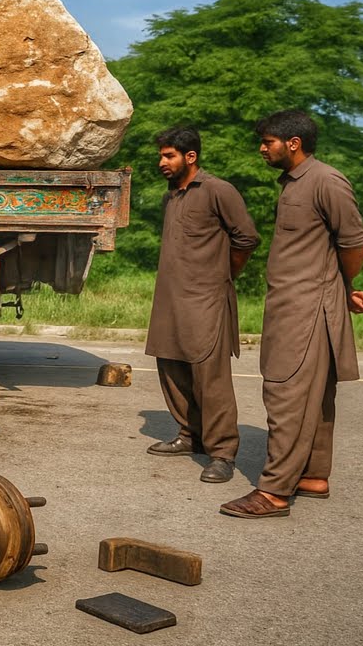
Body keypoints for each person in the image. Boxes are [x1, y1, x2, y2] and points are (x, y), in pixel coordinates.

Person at [221, 110, 363, 519]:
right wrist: (340, 286)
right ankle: (312, 476)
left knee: (285, 393)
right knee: (315, 395)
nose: (261, 148)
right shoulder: (295, 183)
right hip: (301, 303)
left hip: (305, 310)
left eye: (267, 142)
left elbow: (354, 242)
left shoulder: (325, 180)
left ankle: (273, 492)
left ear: (293, 143)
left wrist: (339, 284)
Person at [143, 126, 260, 483]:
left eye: (169, 155)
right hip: (170, 298)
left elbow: (247, 238)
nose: (161, 162)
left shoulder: (217, 190)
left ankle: (222, 453)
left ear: (190, 156)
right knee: (172, 369)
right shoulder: (171, 195)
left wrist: (223, 276)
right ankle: (188, 436)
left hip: (207, 299)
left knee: (211, 380)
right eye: (161, 155)